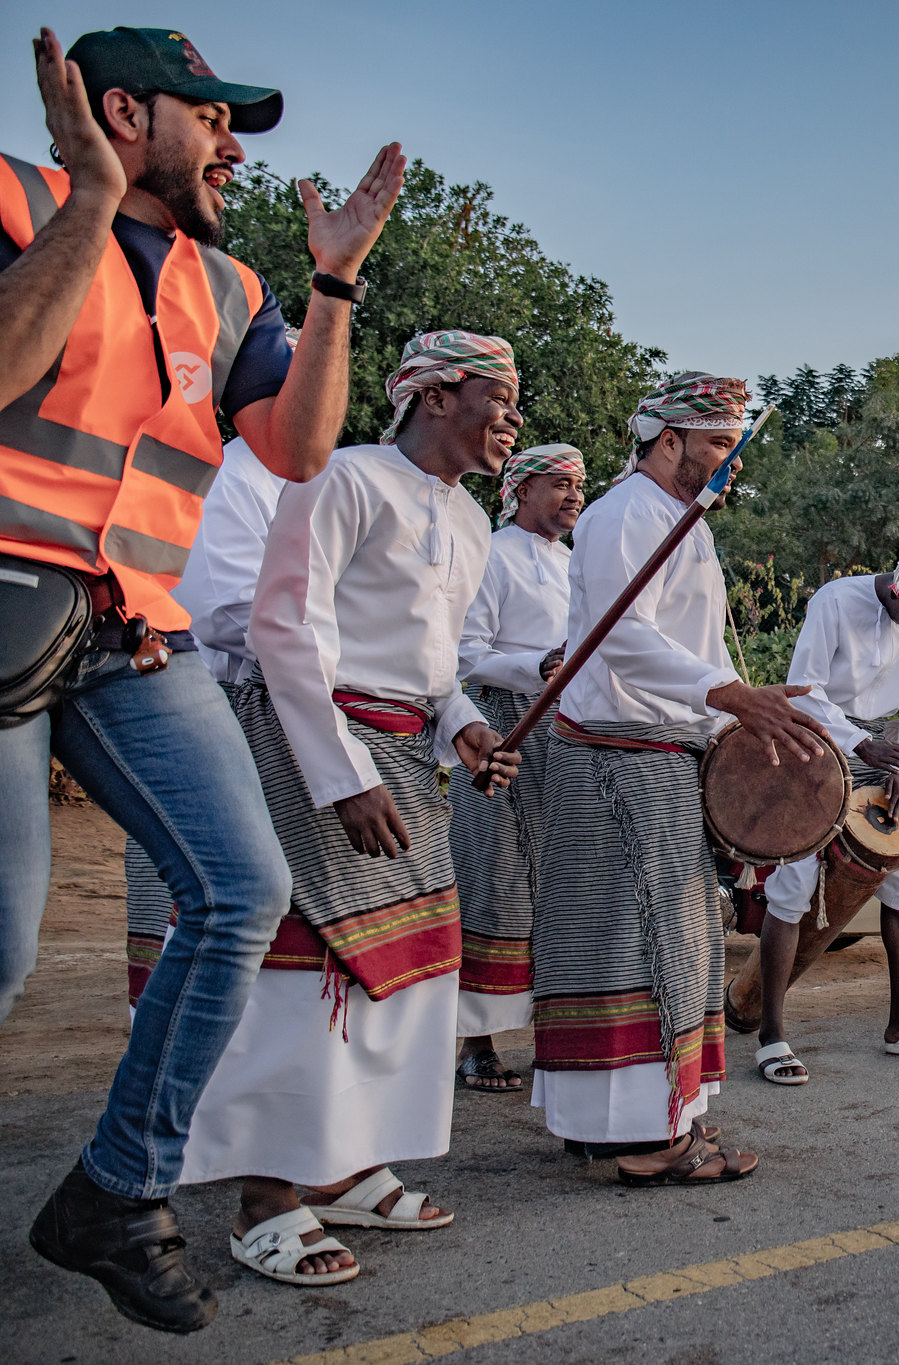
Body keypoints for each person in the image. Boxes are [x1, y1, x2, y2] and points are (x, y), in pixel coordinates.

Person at [6, 27, 403, 1330]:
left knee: (242, 887)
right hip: (7, 605)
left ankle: (117, 1188)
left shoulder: (230, 288)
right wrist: (88, 204)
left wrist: (334, 282)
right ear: (126, 114)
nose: (234, 145)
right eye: (213, 117)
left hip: (132, 628)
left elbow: (294, 449)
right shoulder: (15, 197)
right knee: (4, 947)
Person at [170, 331, 523, 1290]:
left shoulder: (475, 523)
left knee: (399, 969)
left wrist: (465, 729)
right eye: (499, 395)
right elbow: (287, 627)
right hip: (313, 744)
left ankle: (345, 1159)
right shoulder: (340, 478)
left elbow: (438, 668)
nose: (513, 418)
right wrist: (340, 773)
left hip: (406, 753)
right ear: (437, 394)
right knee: (304, 970)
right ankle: (265, 1198)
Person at [530, 373, 825, 1185]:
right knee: (640, 948)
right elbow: (619, 640)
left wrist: (741, 717)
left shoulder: (680, 521)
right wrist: (727, 696)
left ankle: (627, 1123)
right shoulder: (626, 513)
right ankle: (647, 1141)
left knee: (664, 944)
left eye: (734, 443)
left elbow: (698, 649)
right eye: (717, 445)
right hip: (620, 759)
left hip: (660, 757)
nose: (730, 463)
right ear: (669, 442)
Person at [751, 548, 899, 1084]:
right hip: (816, 741)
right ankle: (771, 1035)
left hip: (880, 751)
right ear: (895, 589)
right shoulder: (835, 600)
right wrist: (860, 743)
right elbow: (805, 688)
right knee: (794, 881)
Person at [123, 433, 287, 1008]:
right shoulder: (228, 475)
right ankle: (169, 1022)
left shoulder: (301, 482)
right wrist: (337, 667)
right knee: (201, 874)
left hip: (278, 694)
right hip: (210, 695)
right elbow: (227, 613)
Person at [449, 443, 584, 1093]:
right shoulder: (493, 554)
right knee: (494, 881)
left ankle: (547, 1037)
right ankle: (474, 1043)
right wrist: (537, 667)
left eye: (579, 486)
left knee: (555, 892)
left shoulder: (573, 565)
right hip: (498, 733)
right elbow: (466, 655)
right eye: (558, 483)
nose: (572, 495)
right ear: (522, 490)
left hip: (561, 741)